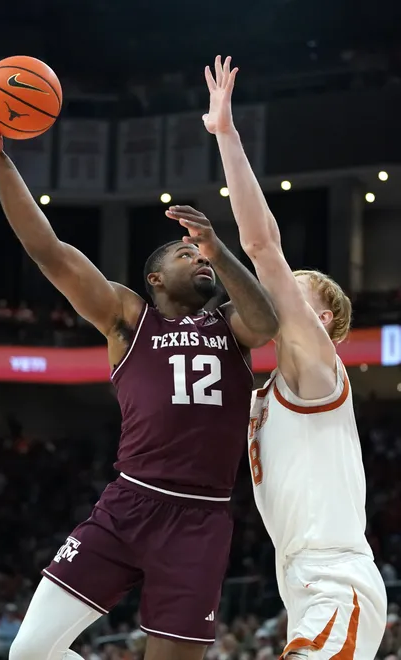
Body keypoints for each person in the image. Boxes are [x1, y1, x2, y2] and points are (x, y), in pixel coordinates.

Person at [0, 81, 278, 660]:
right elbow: (49, 251)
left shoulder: (232, 326)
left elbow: (266, 324)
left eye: (199, 253)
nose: (196, 257)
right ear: (156, 279)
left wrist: (218, 248)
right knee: (29, 651)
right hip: (128, 503)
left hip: (202, 519)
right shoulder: (127, 317)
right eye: (183, 253)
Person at [203, 56, 387, 659]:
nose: (278, 291)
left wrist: (226, 136)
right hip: (300, 584)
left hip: (335, 580)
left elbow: (260, 246)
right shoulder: (262, 396)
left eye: (294, 289)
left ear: (324, 320)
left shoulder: (317, 371)